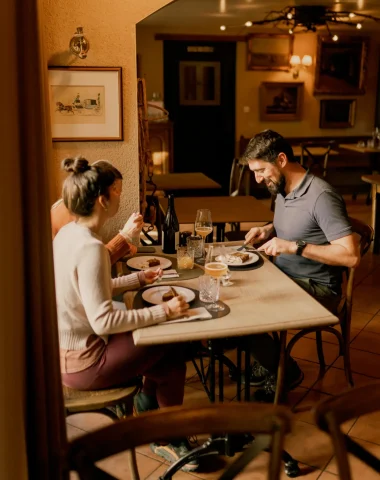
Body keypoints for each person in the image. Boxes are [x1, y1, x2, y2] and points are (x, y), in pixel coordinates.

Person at [54, 156, 198, 471]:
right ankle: (165, 437)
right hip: (85, 364)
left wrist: (137, 279)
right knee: (171, 346)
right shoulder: (90, 248)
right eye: (117, 191)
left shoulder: (69, 234)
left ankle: (150, 415)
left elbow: (90, 289)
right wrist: (165, 310)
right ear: (102, 199)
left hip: (66, 355)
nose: (120, 196)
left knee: (167, 352)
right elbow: (103, 319)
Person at [241, 130, 360, 402]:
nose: (258, 179)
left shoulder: (322, 196)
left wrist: (294, 246)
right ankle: (271, 361)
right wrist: (269, 229)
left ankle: (287, 372)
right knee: (233, 291)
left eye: (261, 170)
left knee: (244, 314)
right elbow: (302, 225)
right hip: (284, 277)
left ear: (281, 159)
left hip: (318, 291)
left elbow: (351, 256)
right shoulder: (282, 188)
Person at [51, 160, 143, 264]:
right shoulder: (71, 214)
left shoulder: (78, 209)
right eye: (116, 191)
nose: (119, 197)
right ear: (101, 197)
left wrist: (121, 248)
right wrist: (126, 235)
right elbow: (92, 261)